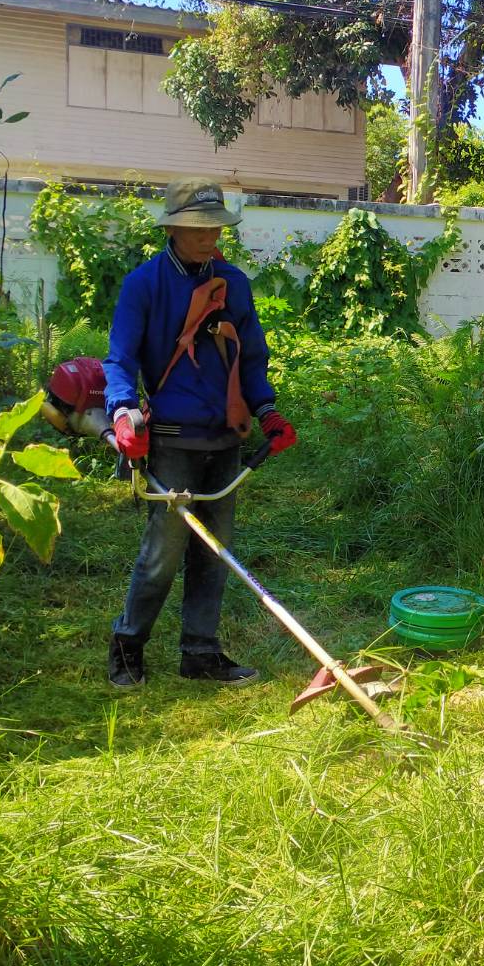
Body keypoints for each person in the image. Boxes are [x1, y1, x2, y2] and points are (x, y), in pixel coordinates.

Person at [104, 177, 297, 689]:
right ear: (173, 227)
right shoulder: (143, 285)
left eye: (216, 228)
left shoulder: (233, 283)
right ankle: (127, 647)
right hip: (169, 439)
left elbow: (250, 357)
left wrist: (267, 410)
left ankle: (200, 653)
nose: (210, 237)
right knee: (163, 553)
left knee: (216, 553)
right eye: (199, 228)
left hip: (224, 439)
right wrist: (123, 414)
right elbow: (119, 360)